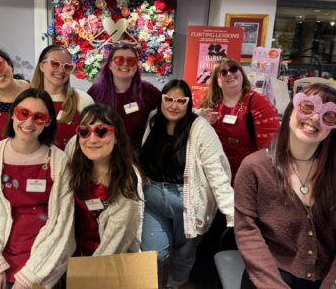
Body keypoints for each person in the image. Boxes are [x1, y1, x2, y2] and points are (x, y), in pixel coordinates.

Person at [0, 88, 75, 289]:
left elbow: (63, 223)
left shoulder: (60, 161)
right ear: (13, 114)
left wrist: (30, 276)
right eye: (23, 113)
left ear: (48, 121)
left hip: (44, 257)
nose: (28, 123)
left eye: (39, 117)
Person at [235, 84, 336, 289]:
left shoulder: (332, 172)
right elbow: (247, 231)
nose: (315, 118)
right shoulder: (255, 167)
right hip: (269, 277)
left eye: (328, 115)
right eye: (308, 107)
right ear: (290, 111)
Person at [140, 79, 234, 289]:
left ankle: (175, 284)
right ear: (161, 100)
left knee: (184, 253)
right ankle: (152, 284)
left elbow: (216, 173)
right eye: (169, 99)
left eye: (181, 101)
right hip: (153, 200)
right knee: (151, 253)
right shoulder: (153, 119)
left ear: (188, 103)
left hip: (189, 203)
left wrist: (232, 213)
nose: (174, 105)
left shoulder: (200, 128)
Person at [66, 103, 144, 256]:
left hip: (108, 258)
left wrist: (90, 272)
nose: (92, 139)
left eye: (101, 131)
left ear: (117, 137)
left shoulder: (128, 181)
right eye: (84, 131)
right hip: (73, 253)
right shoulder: (73, 157)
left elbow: (115, 244)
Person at [194, 57, 279, 184]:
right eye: (223, 73)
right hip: (211, 177)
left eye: (233, 69)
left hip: (245, 177)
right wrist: (199, 117)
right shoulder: (204, 101)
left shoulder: (258, 102)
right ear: (216, 81)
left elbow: (269, 149)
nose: (230, 74)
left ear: (241, 73)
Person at [87, 43, 161, 150]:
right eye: (119, 60)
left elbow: (167, 112)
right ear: (110, 65)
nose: (125, 64)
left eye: (131, 61)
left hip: (136, 157)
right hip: (103, 154)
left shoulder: (148, 92)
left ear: (136, 66)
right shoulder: (95, 91)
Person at [31, 45, 93, 150]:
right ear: (42, 66)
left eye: (67, 67)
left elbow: (92, 138)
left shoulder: (83, 99)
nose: (61, 70)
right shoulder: (27, 99)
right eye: (55, 64)